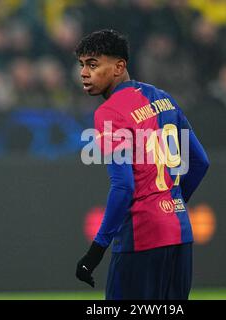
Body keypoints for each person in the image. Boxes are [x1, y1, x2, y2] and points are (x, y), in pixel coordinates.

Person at [75, 29, 209, 300]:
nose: (84, 73)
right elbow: (200, 162)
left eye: (93, 64)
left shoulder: (109, 112)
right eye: (82, 65)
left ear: (119, 67)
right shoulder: (163, 98)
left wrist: (96, 250)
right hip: (180, 234)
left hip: (142, 238)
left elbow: (123, 187)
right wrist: (173, 203)